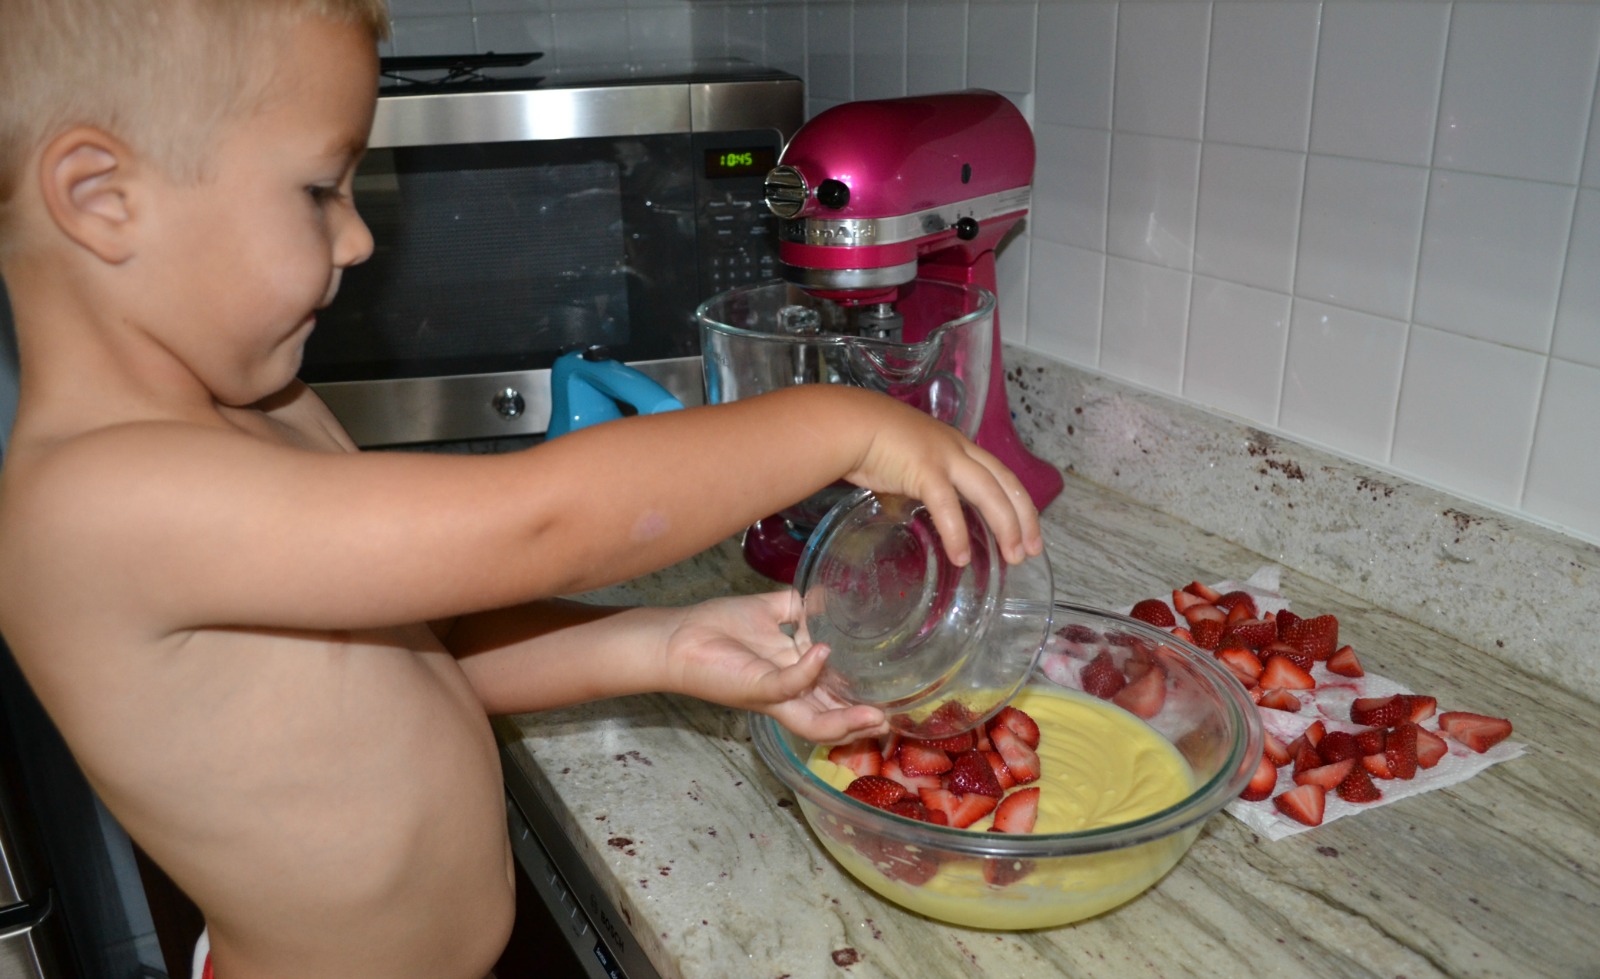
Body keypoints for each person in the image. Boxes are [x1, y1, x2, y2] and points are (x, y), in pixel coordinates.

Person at [0, 1, 1045, 977]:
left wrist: (661, 645)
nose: (358, 237)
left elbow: (409, 664)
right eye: (320, 190)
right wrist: (839, 423)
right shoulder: (96, 502)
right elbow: (540, 521)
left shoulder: (256, 411)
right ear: (101, 198)